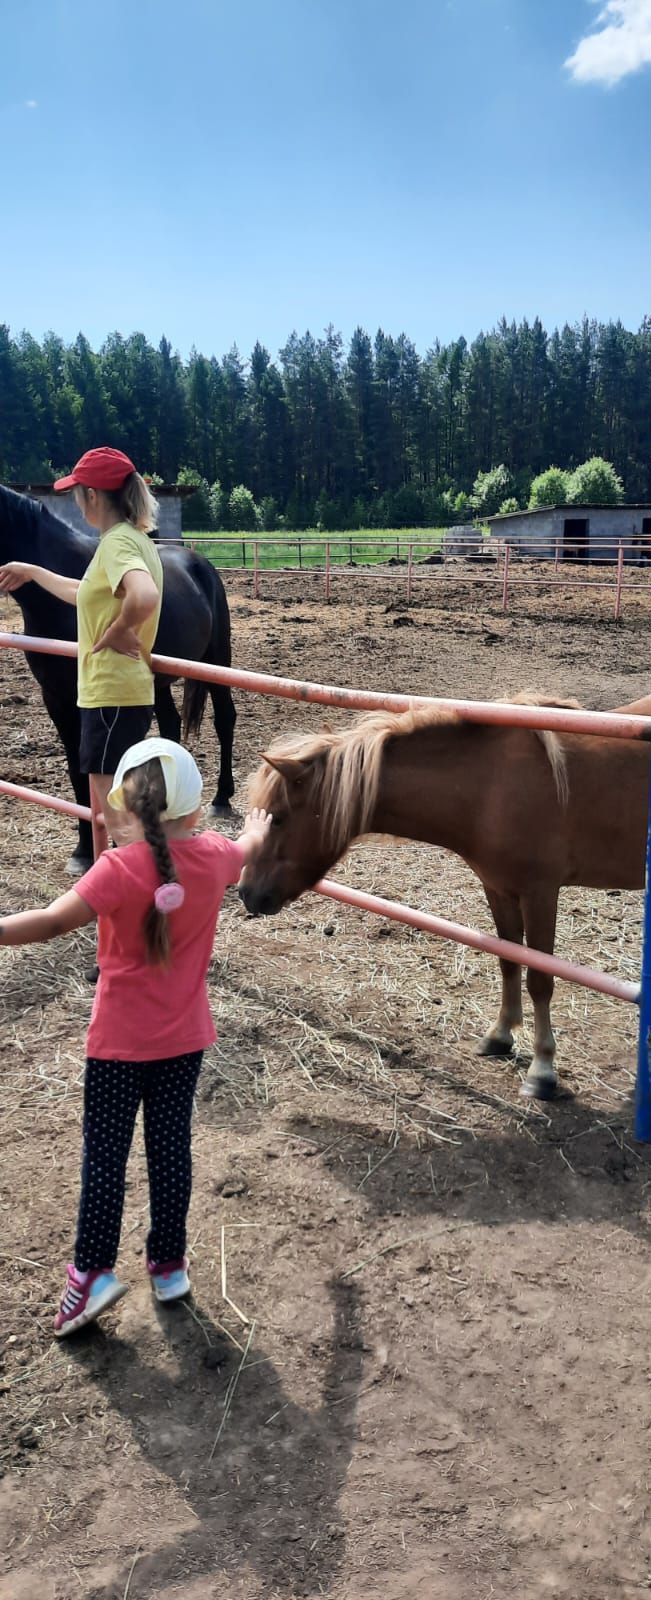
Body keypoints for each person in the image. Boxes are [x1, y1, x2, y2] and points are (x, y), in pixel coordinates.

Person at [0, 738, 272, 1337]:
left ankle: (92, 1273)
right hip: (184, 1042)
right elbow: (246, 849)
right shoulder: (216, 859)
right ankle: (169, 1266)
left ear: (121, 809)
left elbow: (49, 922)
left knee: (106, 1157)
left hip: (118, 1045)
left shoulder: (115, 870)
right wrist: (255, 828)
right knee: (170, 1150)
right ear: (196, 811)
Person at [0, 447, 163, 834]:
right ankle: (137, 883)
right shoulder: (133, 538)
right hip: (121, 694)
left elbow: (144, 596)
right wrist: (34, 572)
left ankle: (130, 888)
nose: (76, 501)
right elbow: (86, 592)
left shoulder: (117, 543)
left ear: (91, 495)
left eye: (76, 493)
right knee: (118, 809)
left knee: (113, 816)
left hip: (111, 695)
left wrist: (120, 631)